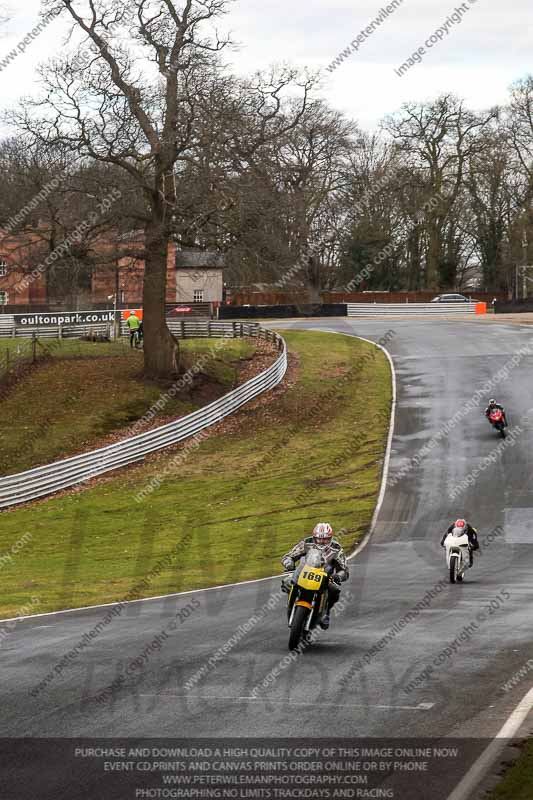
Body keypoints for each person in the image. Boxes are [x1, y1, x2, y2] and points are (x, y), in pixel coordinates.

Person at [281, 522, 349, 630]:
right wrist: (289, 564)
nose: (322, 542)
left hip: (325, 576)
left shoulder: (337, 548)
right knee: (287, 582)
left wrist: (338, 576)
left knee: (335, 590)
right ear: (314, 537)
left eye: (325, 539)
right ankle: (291, 603)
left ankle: (326, 613)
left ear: (330, 538)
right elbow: (288, 556)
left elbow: (344, 569)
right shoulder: (306, 543)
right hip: (304, 572)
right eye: (319, 539)